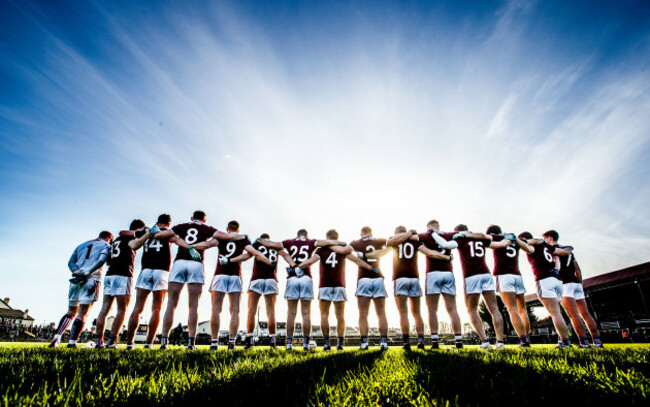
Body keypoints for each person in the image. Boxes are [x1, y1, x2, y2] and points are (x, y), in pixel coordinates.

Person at [158, 210, 247, 350]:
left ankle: (164, 341)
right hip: (197, 263)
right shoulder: (208, 229)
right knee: (194, 306)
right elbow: (221, 239)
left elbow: (167, 235)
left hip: (180, 261)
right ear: (204, 220)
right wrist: (242, 236)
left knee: (171, 304)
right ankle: (191, 343)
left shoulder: (182, 226)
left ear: (192, 217)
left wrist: (187, 246)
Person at [196, 220, 272, 350]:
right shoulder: (242, 240)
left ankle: (214, 343)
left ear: (227, 229)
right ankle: (231, 342)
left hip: (220, 275)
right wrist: (269, 262)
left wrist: (190, 246)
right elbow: (256, 254)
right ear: (238, 230)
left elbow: (206, 244)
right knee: (235, 311)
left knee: (216, 310)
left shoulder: (221, 238)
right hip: (235, 276)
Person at [124, 214, 195, 349]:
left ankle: (129, 343)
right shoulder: (168, 233)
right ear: (168, 224)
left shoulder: (147, 231)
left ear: (158, 221)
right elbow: (180, 242)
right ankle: (149, 343)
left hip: (145, 270)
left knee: (137, 308)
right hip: (161, 271)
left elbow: (133, 242)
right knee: (156, 308)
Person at [299, 229, 375, 350]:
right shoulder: (342, 248)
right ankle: (340, 344)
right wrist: (369, 267)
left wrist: (297, 267)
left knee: (324, 315)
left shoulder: (322, 249)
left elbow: (310, 261)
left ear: (327, 238)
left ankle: (327, 344)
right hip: (339, 284)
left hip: (325, 285)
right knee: (340, 315)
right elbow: (356, 260)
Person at [384, 226, 451, 350]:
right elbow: (430, 253)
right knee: (417, 312)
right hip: (414, 278)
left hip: (400, 278)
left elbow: (389, 243)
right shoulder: (414, 241)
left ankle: (407, 343)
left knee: (403, 312)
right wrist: (446, 257)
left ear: (396, 233)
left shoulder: (394, 240)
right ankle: (421, 340)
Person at [281, 229, 345, 351]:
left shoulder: (320, 249)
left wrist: (294, 267)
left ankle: (289, 344)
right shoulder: (317, 243)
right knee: (307, 313)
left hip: (294, 278)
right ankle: (307, 344)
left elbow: (279, 249)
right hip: (308, 278)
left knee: (291, 313)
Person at [49, 230, 113, 348]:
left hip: (76, 279)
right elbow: (102, 260)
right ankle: (72, 342)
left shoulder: (82, 245)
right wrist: (88, 273)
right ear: (109, 238)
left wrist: (77, 272)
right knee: (83, 313)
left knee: (71, 311)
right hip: (91, 279)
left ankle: (56, 338)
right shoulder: (106, 246)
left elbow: (71, 263)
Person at [542, 230, 603, 348]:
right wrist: (580, 285)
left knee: (573, 314)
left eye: (545, 239)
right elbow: (577, 270)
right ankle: (597, 341)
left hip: (565, 284)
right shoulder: (568, 250)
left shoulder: (554, 250)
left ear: (549, 238)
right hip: (576, 283)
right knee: (585, 313)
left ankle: (584, 342)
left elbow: (557, 266)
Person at [95, 219, 150, 348]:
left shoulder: (117, 240)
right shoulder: (131, 236)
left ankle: (99, 341)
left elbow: (108, 261)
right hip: (123, 274)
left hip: (110, 274)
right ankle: (112, 341)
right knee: (122, 309)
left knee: (104, 309)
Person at [236, 233, 295, 349]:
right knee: (271, 312)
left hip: (256, 279)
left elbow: (248, 255)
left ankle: (249, 342)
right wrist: (293, 264)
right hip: (271, 280)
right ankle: (272, 343)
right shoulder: (274, 246)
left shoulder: (257, 244)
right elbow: (285, 255)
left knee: (251, 311)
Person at [453, 224, 506, 349]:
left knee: (471, 309)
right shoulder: (480, 238)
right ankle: (500, 342)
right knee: (494, 309)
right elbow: (492, 241)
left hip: (471, 276)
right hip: (486, 274)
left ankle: (485, 341)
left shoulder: (460, 238)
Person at [518, 231, 573, 348]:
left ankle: (565, 341)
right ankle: (562, 341)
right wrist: (569, 248)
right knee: (557, 312)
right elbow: (565, 251)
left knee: (555, 313)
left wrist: (516, 240)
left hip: (544, 280)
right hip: (557, 280)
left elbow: (525, 244)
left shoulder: (533, 247)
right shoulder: (547, 247)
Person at [486, 225, 534, 347]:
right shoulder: (514, 240)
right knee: (522, 310)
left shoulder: (497, 238)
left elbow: (487, 240)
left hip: (504, 276)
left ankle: (523, 340)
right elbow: (529, 248)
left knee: (512, 310)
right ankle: (527, 339)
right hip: (517, 275)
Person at [418, 220, 463, 349]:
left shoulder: (426, 235)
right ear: (438, 226)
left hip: (433, 273)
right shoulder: (449, 235)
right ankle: (458, 341)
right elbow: (466, 233)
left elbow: (413, 237)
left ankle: (435, 342)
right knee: (452, 308)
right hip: (448, 273)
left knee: (432, 309)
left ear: (428, 227)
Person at [349, 226, 390, 350]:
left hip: (364, 278)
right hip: (378, 278)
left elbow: (346, 252)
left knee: (363, 314)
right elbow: (391, 247)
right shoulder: (379, 241)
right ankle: (383, 343)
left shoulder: (357, 242)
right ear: (371, 233)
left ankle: (364, 343)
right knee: (381, 313)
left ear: (361, 233)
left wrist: (361, 257)